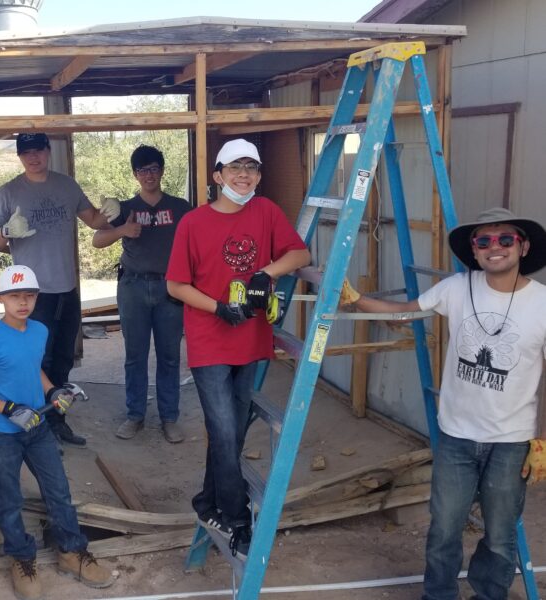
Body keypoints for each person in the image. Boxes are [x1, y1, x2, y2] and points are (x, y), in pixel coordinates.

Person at [341, 206, 546, 600]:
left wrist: (542, 441)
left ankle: (488, 595)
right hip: (456, 436)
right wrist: (356, 300)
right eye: (483, 241)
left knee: (501, 536)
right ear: (474, 249)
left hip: (511, 440)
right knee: (444, 529)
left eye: (505, 239)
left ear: (523, 247)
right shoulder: (456, 288)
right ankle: (438, 596)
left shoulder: (541, 303)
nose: (495, 248)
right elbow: (404, 314)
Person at [165, 139, 311, 557]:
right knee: (225, 431)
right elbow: (176, 285)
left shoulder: (265, 212)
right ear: (218, 176)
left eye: (251, 168)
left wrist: (266, 272)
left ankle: (206, 503)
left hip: (250, 340)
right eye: (234, 168)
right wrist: (217, 308)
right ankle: (236, 519)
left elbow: (299, 252)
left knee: (233, 433)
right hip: (210, 339)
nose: (243, 175)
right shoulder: (193, 223)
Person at [0, 265, 113, 600]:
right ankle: (21, 558)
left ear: (36, 298)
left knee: (58, 490)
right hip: (3, 432)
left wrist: (51, 393)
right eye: (15, 296)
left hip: (37, 428)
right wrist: (9, 409)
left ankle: (72, 553)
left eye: (29, 295)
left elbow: (35, 371)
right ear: (0, 298)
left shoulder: (39, 331)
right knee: (9, 498)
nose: (23, 302)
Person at [0, 133, 114, 448]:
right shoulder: (9, 192)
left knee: (62, 360)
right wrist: (5, 231)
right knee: (35, 361)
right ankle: (36, 427)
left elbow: (94, 220)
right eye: (25, 152)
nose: (33, 157)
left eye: (38, 151)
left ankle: (58, 422)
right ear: (19, 157)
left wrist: (110, 212)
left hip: (66, 290)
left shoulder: (66, 186)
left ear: (47, 151)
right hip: (31, 295)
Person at [92, 145, 191, 443]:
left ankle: (169, 418)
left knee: (170, 356)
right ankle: (135, 415)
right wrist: (123, 230)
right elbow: (97, 239)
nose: (149, 175)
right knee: (135, 355)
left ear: (162, 171)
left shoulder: (180, 207)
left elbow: (195, 243)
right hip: (133, 286)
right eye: (142, 170)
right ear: (135, 175)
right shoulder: (123, 208)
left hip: (169, 287)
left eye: (153, 169)